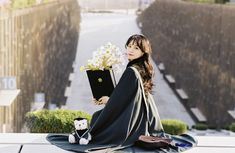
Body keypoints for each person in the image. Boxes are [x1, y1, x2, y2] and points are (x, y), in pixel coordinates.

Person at [89, 34, 165, 146]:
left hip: (131, 121)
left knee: (97, 118)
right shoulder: (141, 67)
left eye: (136, 48)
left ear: (143, 52)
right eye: (129, 46)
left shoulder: (131, 71)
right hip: (141, 119)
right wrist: (108, 99)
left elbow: (121, 100)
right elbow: (126, 95)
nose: (131, 50)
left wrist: (108, 101)